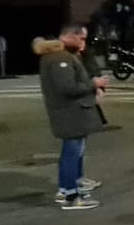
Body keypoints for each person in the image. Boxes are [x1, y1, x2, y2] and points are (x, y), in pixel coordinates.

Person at [36, 26, 108, 210]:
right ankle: (70, 195)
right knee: (71, 154)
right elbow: (67, 88)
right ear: (71, 36)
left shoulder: (56, 56)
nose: (83, 42)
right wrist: (94, 84)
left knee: (71, 152)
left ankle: (68, 190)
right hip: (71, 113)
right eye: (81, 38)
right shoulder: (60, 58)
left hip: (69, 112)